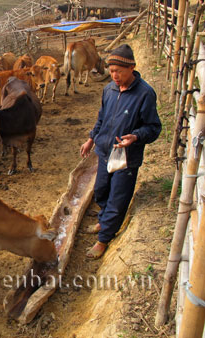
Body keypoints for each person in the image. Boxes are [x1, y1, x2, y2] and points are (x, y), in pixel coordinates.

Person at [80, 44, 162, 259]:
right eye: (111, 70)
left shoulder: (145, 94)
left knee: (118, 198)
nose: (114, 75)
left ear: (132, 68)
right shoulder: (109, 90)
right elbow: (101, 118)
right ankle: (104, 220)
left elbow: (153, 128)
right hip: (105, 151)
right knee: (101, 191)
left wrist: (136, 137)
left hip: (126, 157)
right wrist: (91, 139)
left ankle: (103, 239)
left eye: (119, 71)